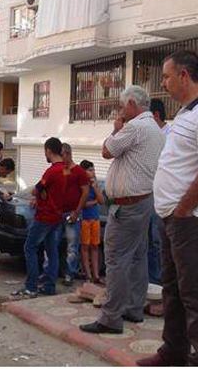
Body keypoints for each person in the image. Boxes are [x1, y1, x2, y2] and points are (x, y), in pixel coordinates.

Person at [81, 85, 165, 335]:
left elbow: (107, 151)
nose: (119, 111)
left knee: (116, 259)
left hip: (127, 206)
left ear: (131, 104)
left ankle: (110, 318)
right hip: (144, 201)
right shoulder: (156, 129)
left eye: (121, 105)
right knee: (138, 257)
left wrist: (116, 128)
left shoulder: (135, 126)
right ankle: (133, 307)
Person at [138, 51, 198, 366]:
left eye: (166, 76)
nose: (163, 83)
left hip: (186, 220)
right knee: (172, 290)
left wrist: (185, 208)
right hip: (169, 217)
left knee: (192, 292)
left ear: (184, 76)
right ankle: (173, 351)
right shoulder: (184, 115)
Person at [13, 137, 68, 298]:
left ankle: (31, 286)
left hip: (45, 216)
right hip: (57, 216)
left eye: (45, 151)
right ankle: (50, 286)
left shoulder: (52, 171)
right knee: (52, 251)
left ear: (49, 151)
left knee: (30, 247)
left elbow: (37, 188)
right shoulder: (65, 169)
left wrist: (38, 194)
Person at [58, 143, 90, 286]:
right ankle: (52, 273)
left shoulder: (79, 172)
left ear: (68, 154)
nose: (60, 158)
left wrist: (77, 212)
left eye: (62, 155)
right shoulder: (60, 170)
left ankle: (69, 274)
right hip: (59, 212)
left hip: (73, 213)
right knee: (53, 243)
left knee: (72, 246)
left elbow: (85, 193)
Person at [147, 98, 171, 285]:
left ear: (155, 115)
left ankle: (159, 280)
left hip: (163, 195)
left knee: (157, 240)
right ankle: (149, 279)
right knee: (147, 241)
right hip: (147, 193)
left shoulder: (169, 134)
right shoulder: (150, 134)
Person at [79, 160, 105, 284]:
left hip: (95, 218)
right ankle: (87, 274)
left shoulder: (94, 185)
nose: (93, 172)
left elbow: (102, 200)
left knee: (95, 246)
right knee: (85, 246)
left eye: (93, 170)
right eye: (90, 170)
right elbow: (82, 204)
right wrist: (94, 202)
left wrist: (95, 187)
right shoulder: (81, 185)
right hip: (85, 218)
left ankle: (96, 274)